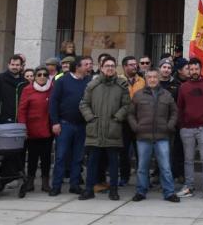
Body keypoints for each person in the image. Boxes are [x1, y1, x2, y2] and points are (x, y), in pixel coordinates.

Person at [79, 56, 129, 201]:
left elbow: (127, 105)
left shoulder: (122, 85)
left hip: (113, 130)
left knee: (113, 163)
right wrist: (90, 118)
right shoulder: (92, 85)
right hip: (95, 129)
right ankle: (89, 190)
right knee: (92, 162)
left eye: (112, 66)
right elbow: (83, 104)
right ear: (101, 68)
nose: (110, 68)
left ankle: (113, 190)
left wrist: (118, 117)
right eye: (107, 66)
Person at [129, 69, 180, 202]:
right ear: (146, 79)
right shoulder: (138, 95)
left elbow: (175, 112)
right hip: (143, 137)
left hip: (162, 136)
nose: (152, 79)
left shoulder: (166, 95)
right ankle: (141, 191)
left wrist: (170, 125)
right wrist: (136, 127)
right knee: (142, 167)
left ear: (158, 79)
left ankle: (169, 192)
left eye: (155, 77)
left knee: (165, 167)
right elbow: (130, 114)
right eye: (149, 77)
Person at [48, 56, 92, 196]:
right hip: (64, 124)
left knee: (78, 157)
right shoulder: (62, 81)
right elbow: (53, 102)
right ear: (78, 66)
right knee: (61, 156)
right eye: (86, 64)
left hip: (82, 125)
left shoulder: (89, 82)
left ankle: (74, 184)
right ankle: (56, 185)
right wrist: (55, 122)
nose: (89, 66)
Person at [177, 58, 203, 200]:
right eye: (191, 69)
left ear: (200, 69)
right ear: (188, 70)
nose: (193, 71)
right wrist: (182, 125)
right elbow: (180, 108)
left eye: (196, 69)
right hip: (187, 129)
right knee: (188, 159)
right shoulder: (184, 87)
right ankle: (189, 186)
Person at [18, 66, 53, 193]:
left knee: (46, 158)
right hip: (32, 130)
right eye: (39, 74)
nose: (42, 77)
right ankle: (30, 182)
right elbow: (21, 110)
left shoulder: (52, 89)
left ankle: (45, 183)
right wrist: (23, 127)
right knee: (32, 157)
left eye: (45, 74)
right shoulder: (28, 90)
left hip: (47, 129)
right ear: (35, 77)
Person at [120, 55, 144, 186]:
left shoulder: (142, 81)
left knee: (141, 151)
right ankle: (124, 176)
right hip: (123, 121)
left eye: (135, 64)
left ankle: (142, 177)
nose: (135, 66)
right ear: (124, 67)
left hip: (139, 120)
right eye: (131, 64)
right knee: (123, 151)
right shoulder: (118, 80)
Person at [0, 55, 26, 123]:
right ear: (8, 65)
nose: (14, 67)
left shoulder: (24, 81)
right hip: (2, 119)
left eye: (17, 65)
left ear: (21, 66)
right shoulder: (0, 78)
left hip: (20, 120)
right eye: (12, 64)